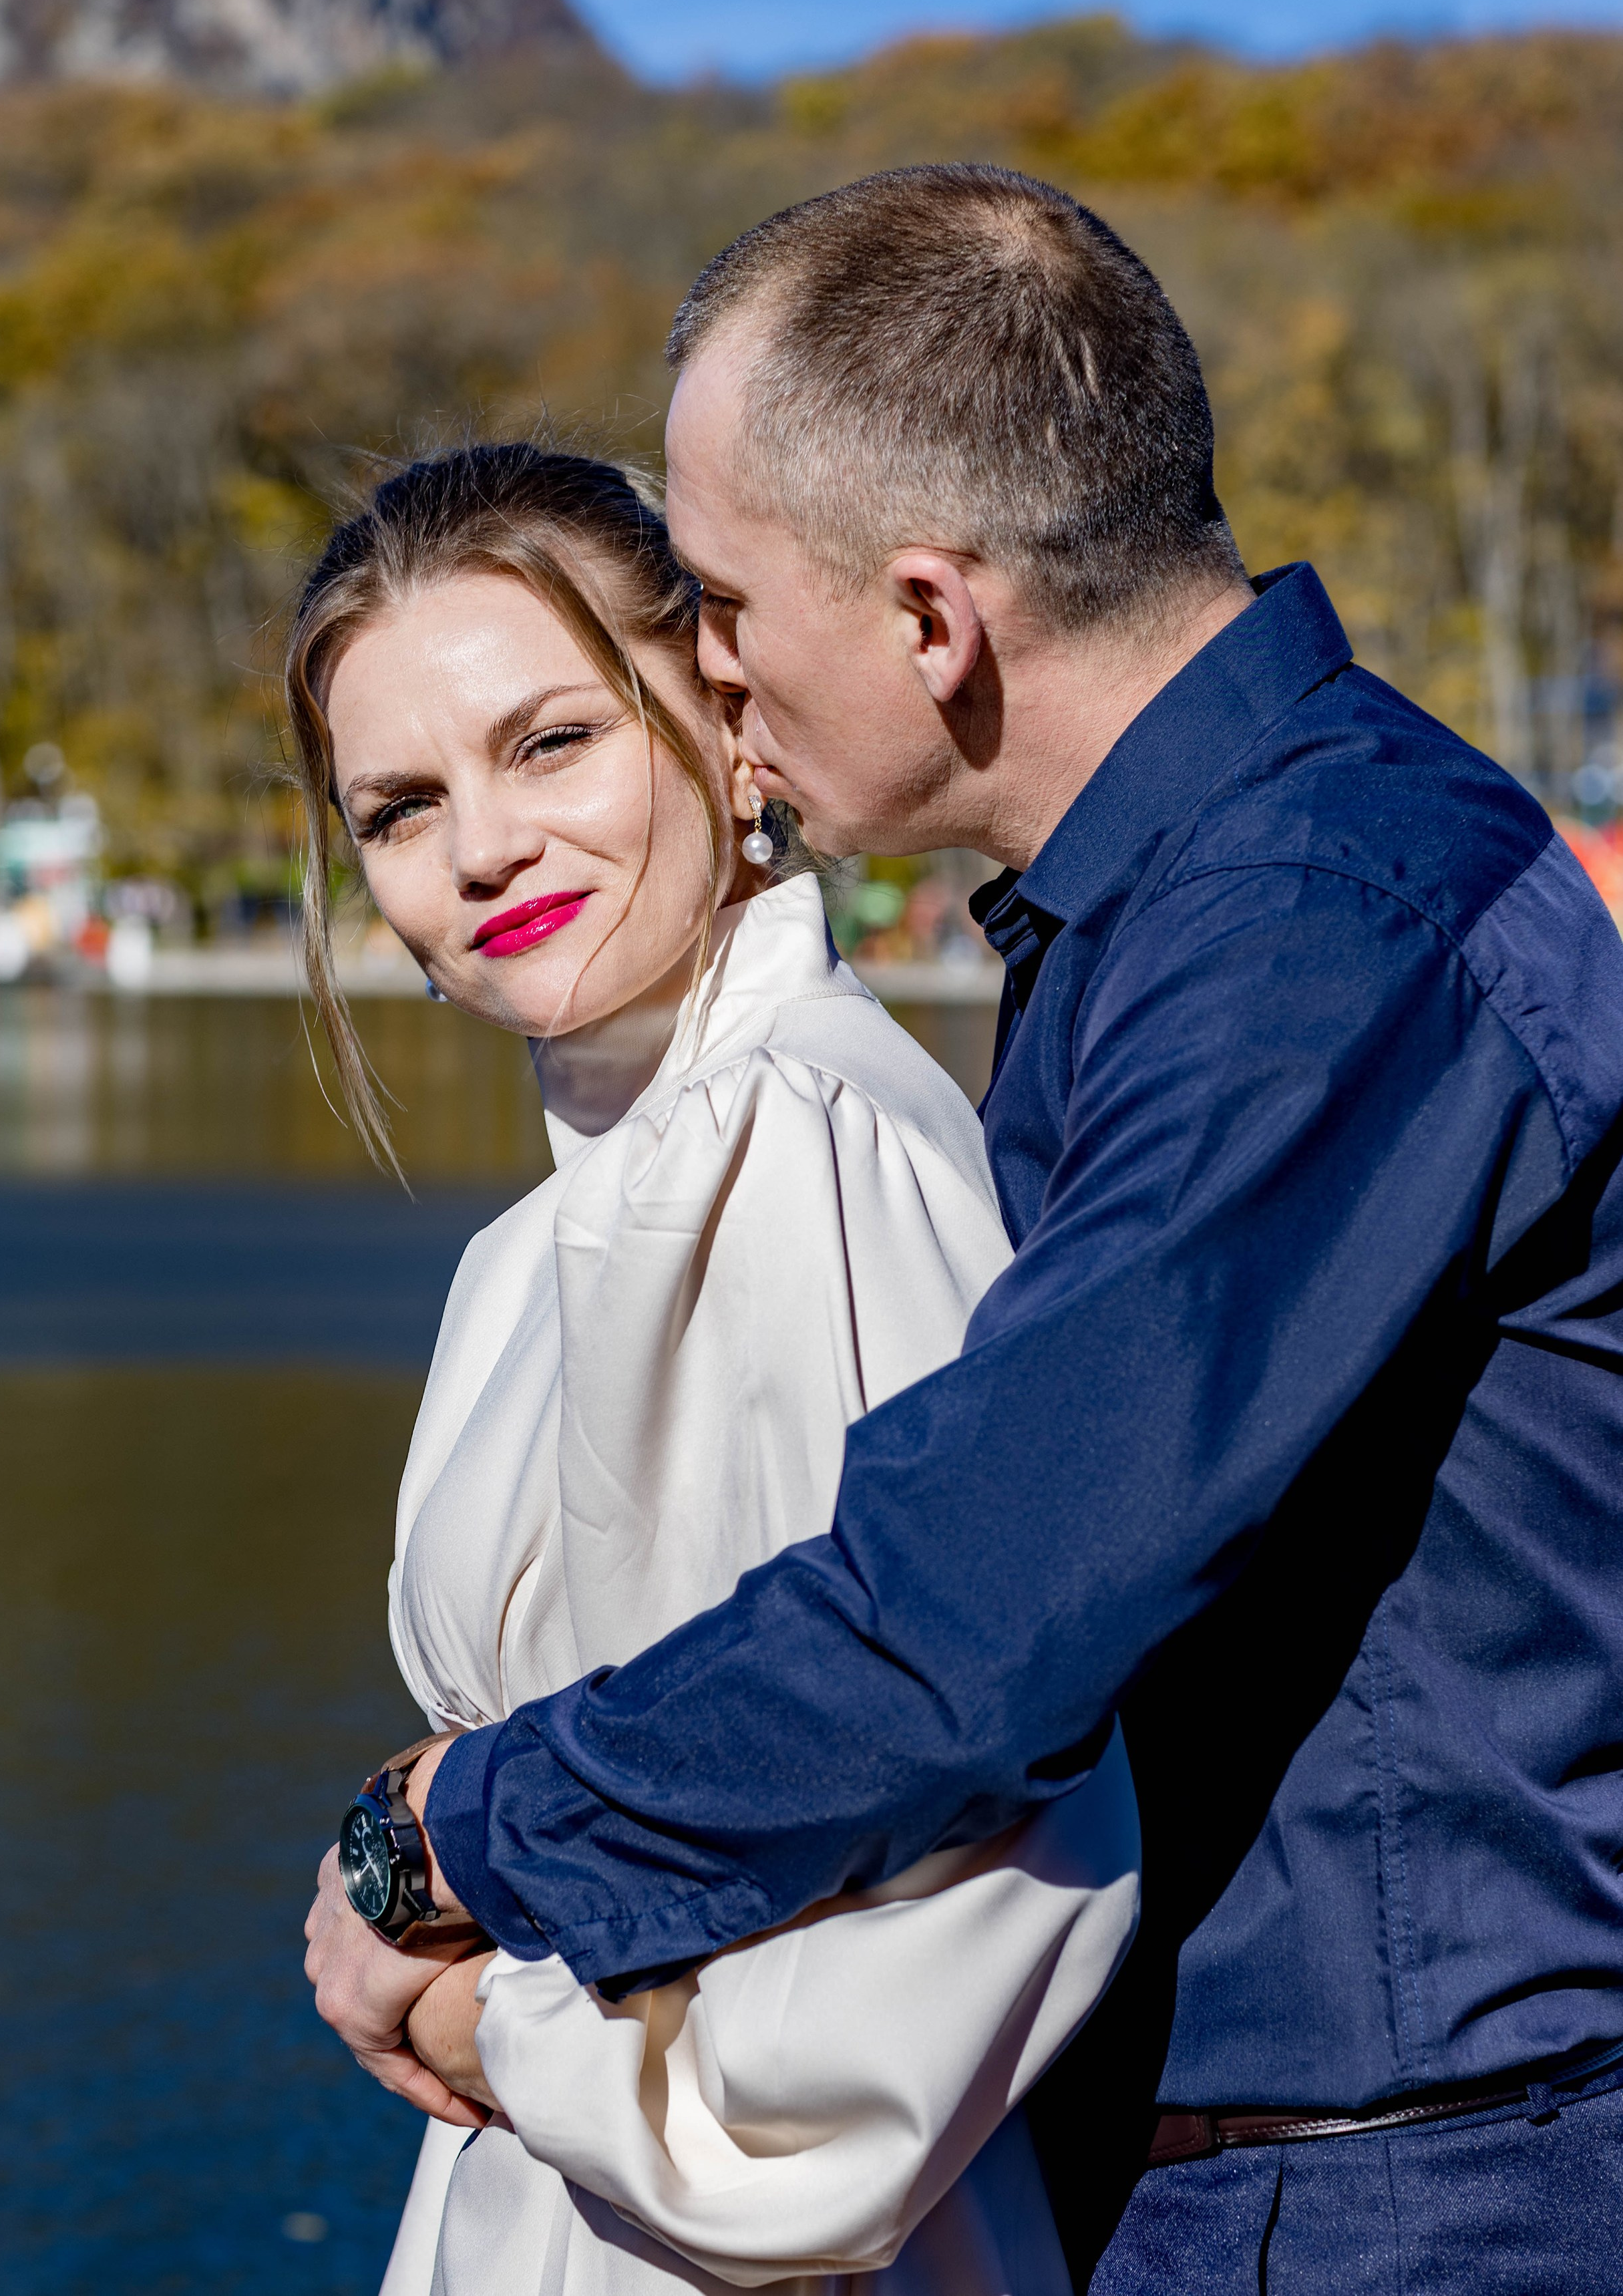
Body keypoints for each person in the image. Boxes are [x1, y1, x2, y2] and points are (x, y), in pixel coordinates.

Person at [309, 165, 1623, 2292]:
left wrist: (449, 1841)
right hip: (1254, 2178)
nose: (712, 679)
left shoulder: (1317, 929)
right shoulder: (1174, 913)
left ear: (928, 618)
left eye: (721, 605)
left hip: (1396, 2195)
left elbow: (966, 1612)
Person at [294, 441, 1141, 2296]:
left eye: (549, 743)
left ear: (726, 715)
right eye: (399, 806)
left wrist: (489, 2037)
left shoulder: (791, 1145)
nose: (481, 849)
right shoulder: (536, 1247)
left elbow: (975, 1836)